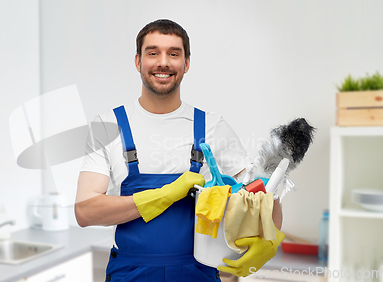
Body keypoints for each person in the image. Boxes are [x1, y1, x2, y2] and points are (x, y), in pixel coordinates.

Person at [75, 19, 283, 282]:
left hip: (196, 273)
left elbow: (262, 195)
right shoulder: (108, 126)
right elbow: (85, 211)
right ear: (138, 62)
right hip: (130, 274)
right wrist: (164, 195)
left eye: (174, 54)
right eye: (153, 53)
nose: (163, 62)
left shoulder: (212, 127)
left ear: (186, 64)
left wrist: (272, 236)